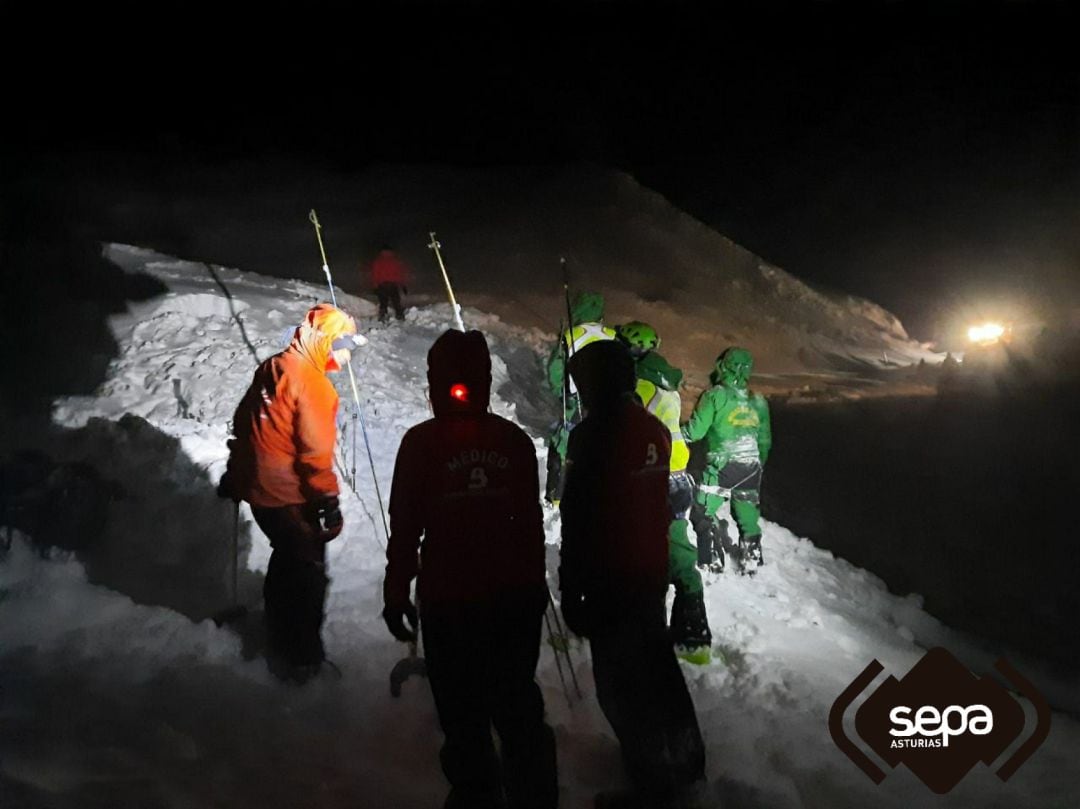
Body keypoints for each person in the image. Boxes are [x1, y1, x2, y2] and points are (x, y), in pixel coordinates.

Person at [383, 329, 558, 809]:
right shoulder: (514, 442)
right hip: (512, 600)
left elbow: (405, 530)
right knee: (516, 704)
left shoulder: (420, 444)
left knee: (463, 715)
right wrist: (535, 587)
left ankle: (479, 796)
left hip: (452, 601)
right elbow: (529, 525)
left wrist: (397, 590)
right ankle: (534, 797)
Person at [559, 339, 706, 809]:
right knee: (657, 667)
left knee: (622, 684)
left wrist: (570, 586)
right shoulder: (653, 430)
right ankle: (686, 760)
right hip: (648, 571)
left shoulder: (592, 435)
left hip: (609, 576)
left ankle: (651, 785)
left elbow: (579, 519)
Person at [218, 303, 364, 683]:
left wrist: (237, 473)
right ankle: (300, 658)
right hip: (286, 495)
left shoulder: (274, 366)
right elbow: (314, 454)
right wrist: (327, 501)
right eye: (343, 346)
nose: (347, 357)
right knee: (308, 573)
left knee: (286, 560)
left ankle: (276, 631)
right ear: (326, 342)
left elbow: (246, 422)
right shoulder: (315, 387)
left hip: (259, 491)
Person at [616, 322, 712, 665]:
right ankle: (694, 633)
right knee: (677, 545)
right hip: (678, 473)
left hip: (650, 474)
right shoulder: (666, 382)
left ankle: (638, 629)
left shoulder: (638, 383)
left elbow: (624, 428)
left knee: (635, 546)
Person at [682, 347, 772, 575]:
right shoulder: (758, 401)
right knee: (747, 515)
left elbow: (695, 432)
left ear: (723, 365)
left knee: (702, 512)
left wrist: (672, 432)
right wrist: (756, 464)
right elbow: (764, 441)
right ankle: (751, 562)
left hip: (722, 465)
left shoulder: (715, 395)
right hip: (751, 466)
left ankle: (711, 562)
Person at [543, 291, 616, 504]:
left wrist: (561, 392)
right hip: (606, 403)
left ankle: (557, 495)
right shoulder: (613, 335)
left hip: (576, 402)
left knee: (564, 445)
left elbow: (555, 370)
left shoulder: (571, 335)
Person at [369, 244, 411, 323]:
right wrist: (403, 285)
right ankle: (400, 316)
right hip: (393, 285)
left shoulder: (378, 261)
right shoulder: (395, 261)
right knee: (396, 302)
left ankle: (382, 317)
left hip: (382, 285)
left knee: (383, 302)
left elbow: (375, 274)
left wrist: (375, 285)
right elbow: (400, 274)